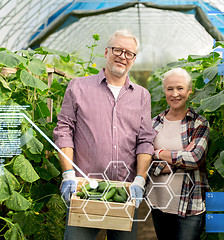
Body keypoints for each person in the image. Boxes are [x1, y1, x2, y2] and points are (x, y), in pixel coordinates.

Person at [53, 29, 155, 240]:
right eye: (118, 50)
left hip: (124, 192)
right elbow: (64, 130)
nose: (123, 56)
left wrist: (140, 179)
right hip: (85, 189)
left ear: (134, 60)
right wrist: (68, 174)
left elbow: (145, 140)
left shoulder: (142, 96)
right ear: (107, 52)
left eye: (129, 53)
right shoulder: (78, 87)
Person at [147, 68, 210, 240]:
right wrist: (179, 158)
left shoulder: (199, 123)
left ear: (189, 91)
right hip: (158, 203)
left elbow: (195, 158)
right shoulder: (153, 124)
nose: (175, 94)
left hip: (190, 206)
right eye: (170, 89)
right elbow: (143, 160)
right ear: (164, 91)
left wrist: (158, 153)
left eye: (180, 88)